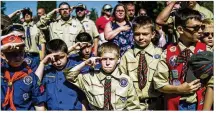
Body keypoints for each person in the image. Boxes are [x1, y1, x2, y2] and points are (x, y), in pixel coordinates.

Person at [153, 8, 212, 110]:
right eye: (196, 28)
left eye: (201, 27)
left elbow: (213, 83)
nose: (200, 31)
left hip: (200, 103)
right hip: (175, 104)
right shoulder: (168, 53)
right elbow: (159, 83)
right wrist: (178, 89)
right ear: (180, 30)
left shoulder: (206, 51)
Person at [65, 42, 140, 110]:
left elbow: (133, 107)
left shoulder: (126, 80)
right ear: (99, 59)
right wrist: (85, 63)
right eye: (104, 59)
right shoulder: (90, 77)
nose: (107, 63)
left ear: (118, 60)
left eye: (111, 59)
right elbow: (69, 75)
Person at [119, 16, 163, 110]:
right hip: (133, 106)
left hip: (157, 105)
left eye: (145, 34)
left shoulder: (161, 54)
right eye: (137, 34)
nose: (141, 37)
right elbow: (121, 82)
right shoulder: (127, 56)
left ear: (153, 34)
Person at [35, 39, 88, 110]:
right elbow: (35, 83)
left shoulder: (76, 67)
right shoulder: (46, 70)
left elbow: (84, 97)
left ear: (67, 55)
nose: (59, 62)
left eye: (62, 57)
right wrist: (42, 63)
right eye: (55, 59)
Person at [1, 28, 45, 110]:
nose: (18, 57)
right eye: (12, 53)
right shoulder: (1, 71)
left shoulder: (30, 75)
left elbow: (39, 104)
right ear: (3, 55)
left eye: (20, 52)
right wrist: (2, 46)